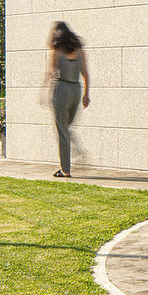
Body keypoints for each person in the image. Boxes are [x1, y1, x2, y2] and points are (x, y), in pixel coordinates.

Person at [47, 21, 90, 178]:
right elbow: (85, 73)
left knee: (62, 130)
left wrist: (46, 91)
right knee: (66, 126)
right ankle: (74, 148)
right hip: (76, 90)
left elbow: (52, 73)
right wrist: (86, 94)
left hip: (62, 89)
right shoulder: (79, 50)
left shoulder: (56, 50)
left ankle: (65, 170)